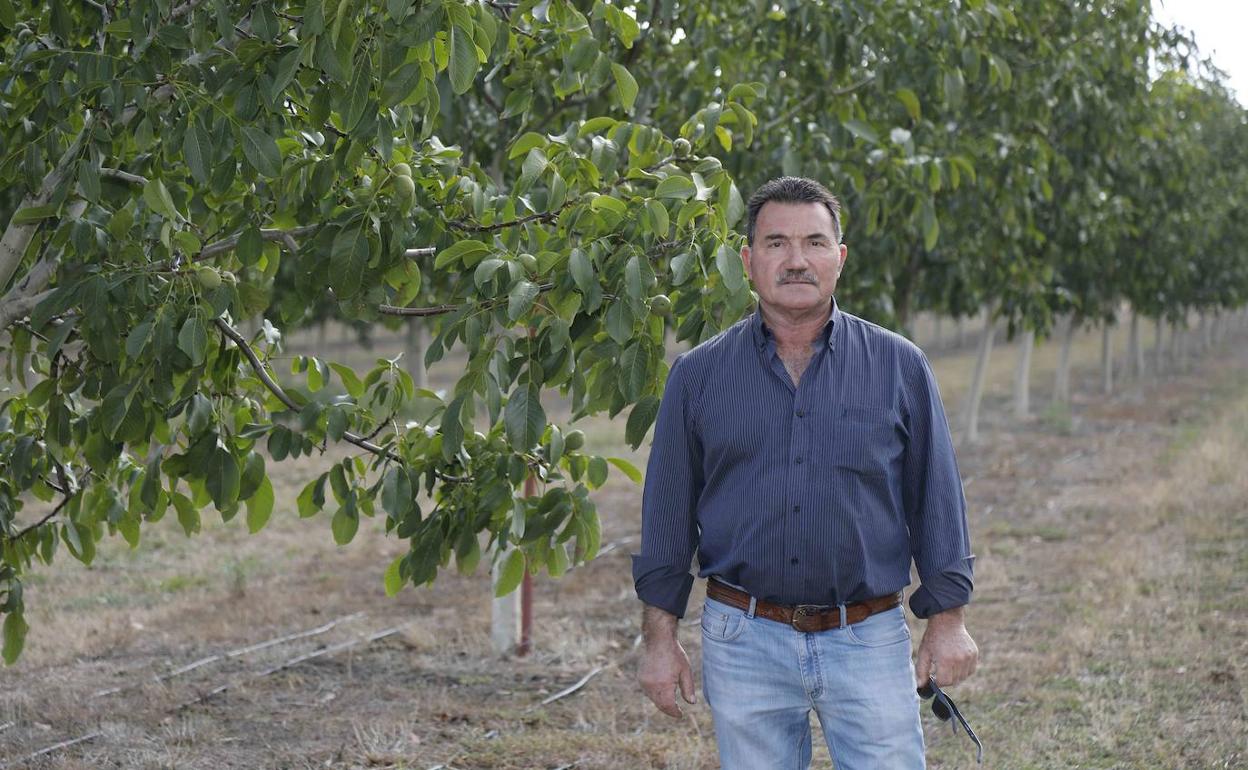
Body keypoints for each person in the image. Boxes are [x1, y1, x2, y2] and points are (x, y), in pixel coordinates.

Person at [632, 176, 978, 769]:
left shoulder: (899, 367)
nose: (797, 260)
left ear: (839, 259)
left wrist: (948, 620)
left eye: (815, 243)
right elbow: (667, 519)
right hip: (743, 639)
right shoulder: (697, 378)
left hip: (867, 635)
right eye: (776, 244)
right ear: (747, 260)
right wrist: (658, 638)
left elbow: (936, 501)